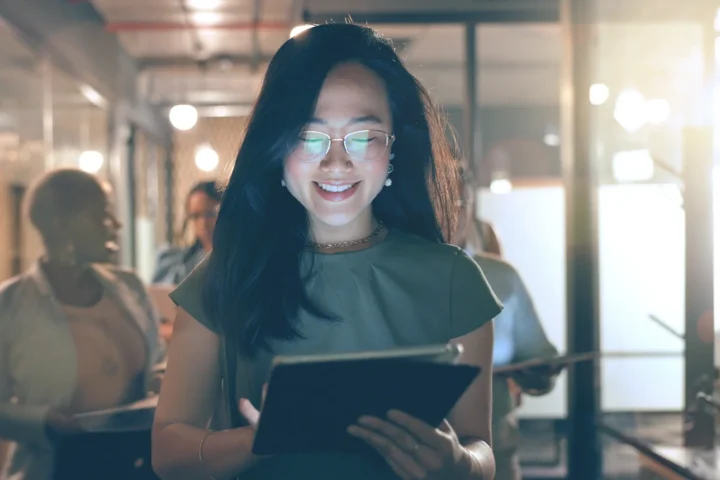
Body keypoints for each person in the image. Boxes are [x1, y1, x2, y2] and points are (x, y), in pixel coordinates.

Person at [152, 23, 502, 480]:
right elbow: (168, 451)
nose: (336, 162)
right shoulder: (226, 275)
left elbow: (481, 448)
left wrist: (459, 463)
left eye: (363, 137)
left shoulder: (455, 279)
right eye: (308, 136)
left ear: (395, 146)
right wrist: (256, 443)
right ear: (276, 147)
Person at [0, 168, 166, 480]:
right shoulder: (9, 305)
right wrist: (43, 420)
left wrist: (161, 379)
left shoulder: (129, 286)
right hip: (57, 467)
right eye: (102, 215)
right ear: (61, 225)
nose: (115, 226)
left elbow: (156, 360)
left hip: (139, 460)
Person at [457, 185, 559, 480]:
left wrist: (540, 372)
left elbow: (539, 354)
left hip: (495, 447)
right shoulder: (396, 274)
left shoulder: (501, 276)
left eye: (461, 200)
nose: (453, 210)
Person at [152, 181, 221, 285]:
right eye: (196, 216)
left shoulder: (237, 261)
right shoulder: (179, 263)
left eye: (210, 214)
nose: (203, 223)